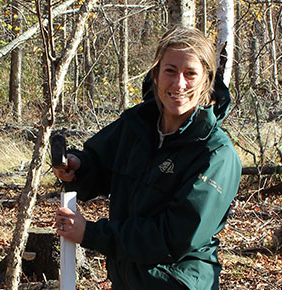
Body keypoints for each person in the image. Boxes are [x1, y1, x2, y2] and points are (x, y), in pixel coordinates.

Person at [52, 26, 242, 290]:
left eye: (190, 74)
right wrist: (77, 168)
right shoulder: (135, 126)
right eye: (170, 71)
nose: (179, 84)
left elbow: (174, 237)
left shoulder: (216, 154)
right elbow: (99, 166)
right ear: (155, 74)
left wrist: (91, 234)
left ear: (206, 81)